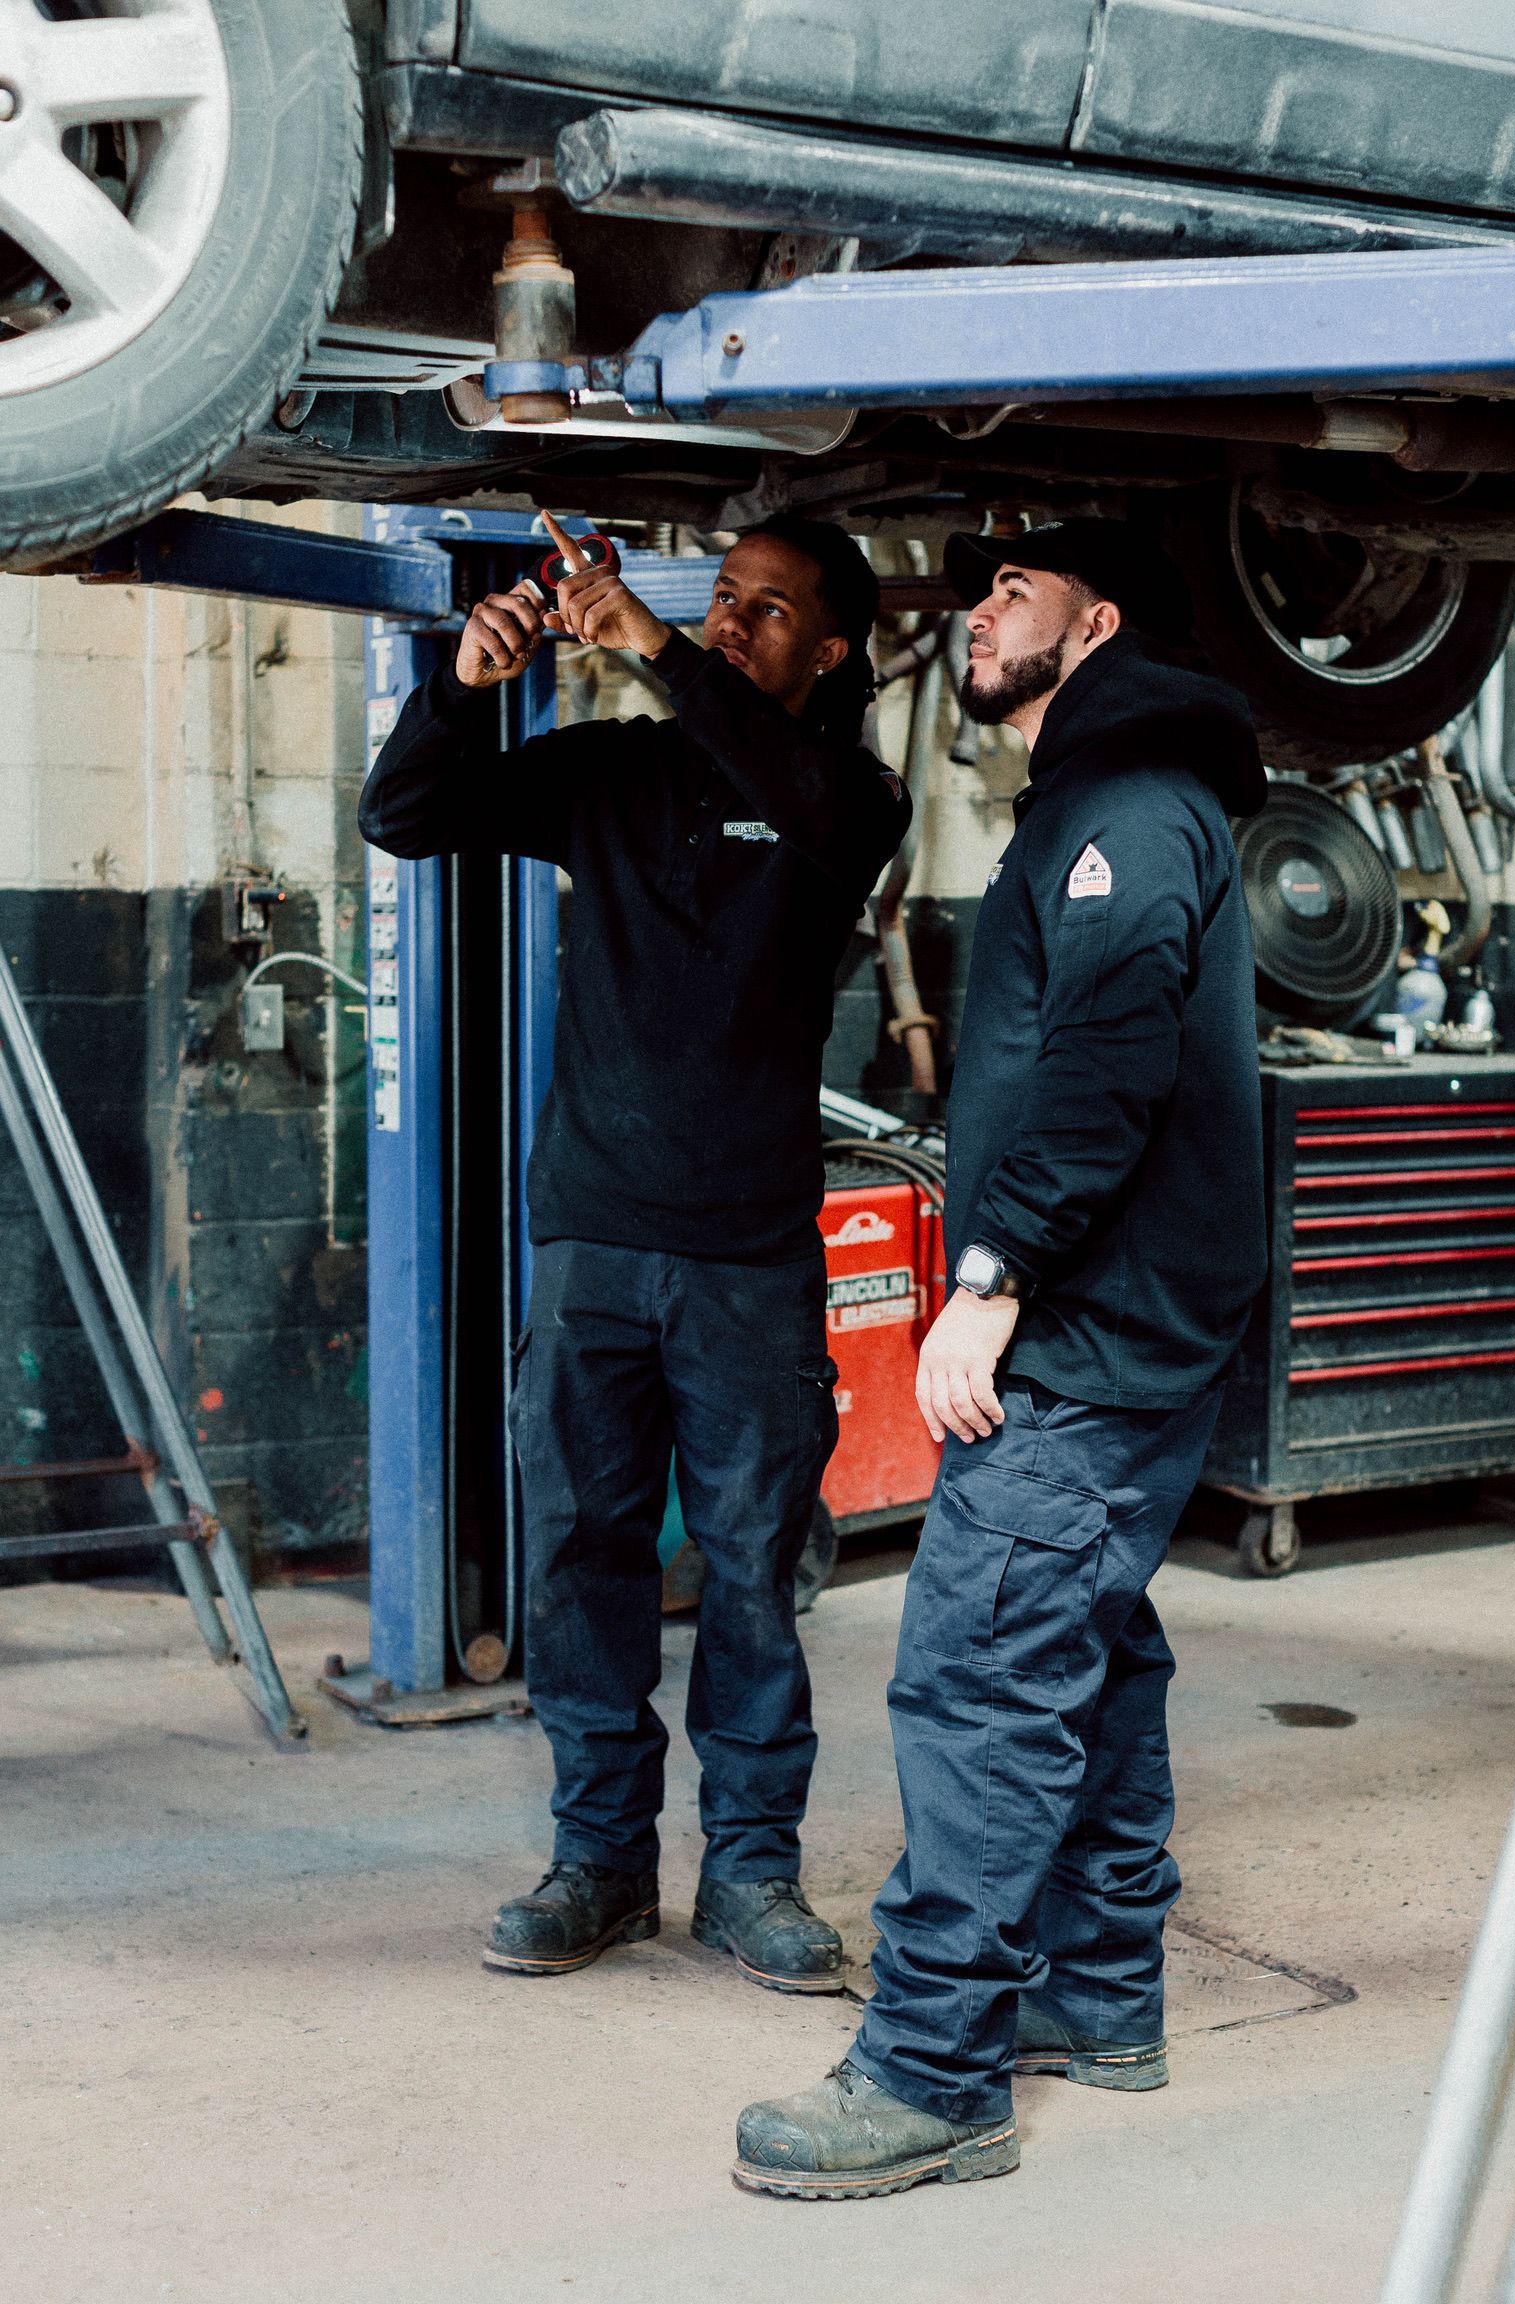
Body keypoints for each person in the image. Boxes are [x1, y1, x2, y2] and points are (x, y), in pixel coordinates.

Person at [734, 518, 1269, 2198]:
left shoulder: (1122, 811)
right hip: (1131, 1335)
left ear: (1096, 624)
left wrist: (990, 1273)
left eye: (1012, 592)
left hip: (1088, 1339)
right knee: (1092, 1656)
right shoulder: (1108, 805)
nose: (974, 612)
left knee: (980, 1677)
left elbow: (1107, 1068)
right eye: (971, 591)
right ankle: (1101, 1995)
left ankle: (933, 2068)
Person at [359, 511, 909, 1994]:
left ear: (833, 650)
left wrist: (659, 649)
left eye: (772, 612)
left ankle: (751, 1875)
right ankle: (598, 1864)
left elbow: (793, 786)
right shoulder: (614, 776)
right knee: (585, 1562)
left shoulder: (844, 797)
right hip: (592, 1240)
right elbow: (404, 814)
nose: (734, 623)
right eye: (724, 599)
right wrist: (465, 685)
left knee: (748, 1572)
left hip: (745, 1257)